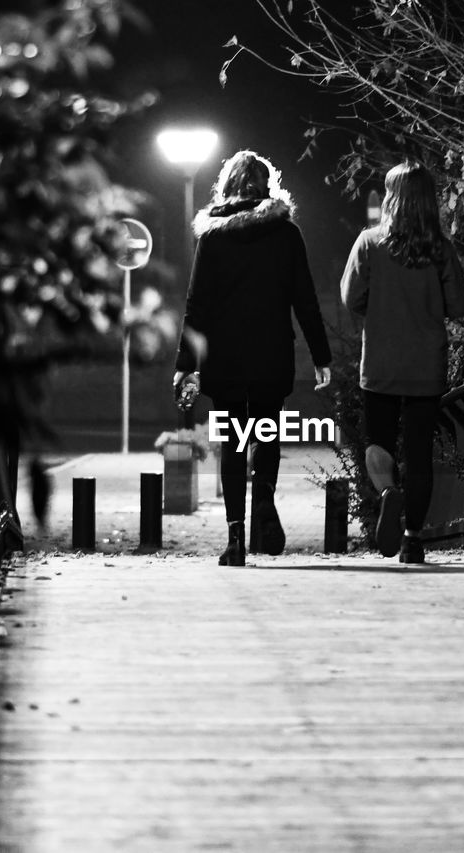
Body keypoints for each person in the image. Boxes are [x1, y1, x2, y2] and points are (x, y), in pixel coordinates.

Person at [173, 150, 332, 566]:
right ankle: (263, 500)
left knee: (233, 442)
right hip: (271, 352)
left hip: (224, 358)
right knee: (266, 433)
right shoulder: (286, 233)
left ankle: (235, 538)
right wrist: (321, 356)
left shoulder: (212, 237)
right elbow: (305, 299)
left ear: (226, 185)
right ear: (267, 186)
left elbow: (196, 307)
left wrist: (184, 366)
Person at [340, 160, 464, 564]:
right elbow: (458, 307)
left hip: (380, 363)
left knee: (378, 441)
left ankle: (387, 491)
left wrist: (379, 305)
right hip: (425, 366)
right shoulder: (442, 250)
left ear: (392, 198)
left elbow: (350, 298)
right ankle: (413, 539)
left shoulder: (370, 243)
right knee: (419, 454)